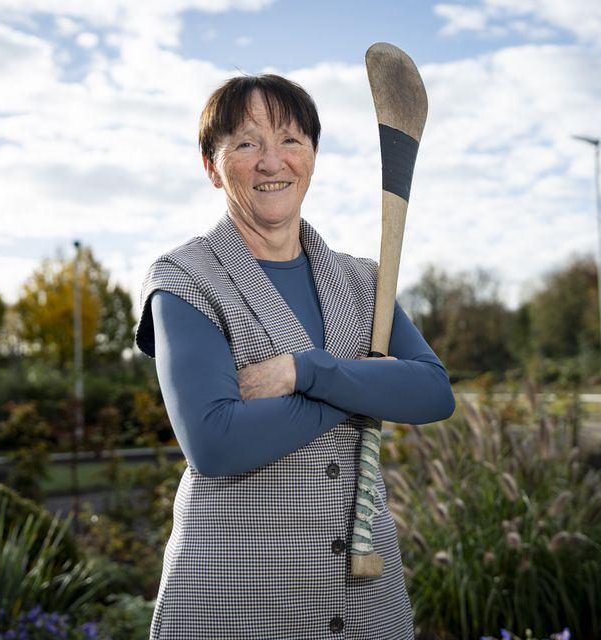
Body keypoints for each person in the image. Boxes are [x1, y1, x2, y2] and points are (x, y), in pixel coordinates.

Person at [134, 73, 455, 639]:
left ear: (312, 158)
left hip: (366, 601)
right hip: (235, 599)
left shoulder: (363, 282)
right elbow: (216, 441)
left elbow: (433, 393)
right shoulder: (185, 279)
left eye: (290, 141)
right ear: (212, 165)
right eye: (246, 143)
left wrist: (303, 371)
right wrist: (365, 387)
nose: (271, 162)